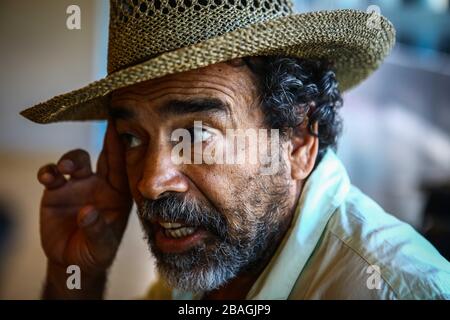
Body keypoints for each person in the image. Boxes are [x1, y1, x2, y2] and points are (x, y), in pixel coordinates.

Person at [20, 0, 449, 299]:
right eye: (132, 137)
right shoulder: (212, 260)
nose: (151, 183)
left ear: (298, 140)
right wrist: (76, 275)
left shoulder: (400, 289)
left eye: (199, 134)